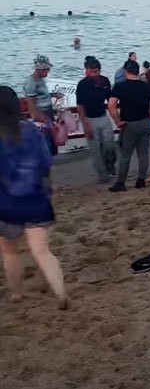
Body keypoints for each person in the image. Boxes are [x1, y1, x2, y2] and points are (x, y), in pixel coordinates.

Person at [0, 86, 68, 309]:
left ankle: (17, 294)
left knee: (9, 252)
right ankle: (61, 293)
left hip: (6, 202)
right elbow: (45, 163)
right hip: (36, 198)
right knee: (42, 252)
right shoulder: (31, 130)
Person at [107, 60, 150, 192]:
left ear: (125, 71)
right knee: (143, 153)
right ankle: (141, 180)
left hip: (129, 123)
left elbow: (111, 105)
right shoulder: (146, 86)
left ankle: (121, 182)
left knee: (126, 154)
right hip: (145, 122)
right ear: (137, 71)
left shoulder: (120, 87)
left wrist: (117, 121)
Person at [76, 56, 116, 183]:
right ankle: (103, 175)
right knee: (96, 149)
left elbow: (111, 99)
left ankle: (110, 166)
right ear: (86, 71)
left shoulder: (105, 81)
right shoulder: (82, 85)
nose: (93, 74)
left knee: (110, 144)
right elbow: (80, 106)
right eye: (90, 71)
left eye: (95, 71)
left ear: (99, 70)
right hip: (89, 118)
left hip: (103, 116)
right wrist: (85, 124)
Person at [23, 55, 59, 155]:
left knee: (53, 143)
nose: (48, 72)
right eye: (46, 69)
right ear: (39, 69)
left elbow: (41, 95)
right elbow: (31, 104)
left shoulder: (41, 80)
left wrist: (53, 95)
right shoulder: (31, 83)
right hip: (41, 115)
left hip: (48, 112)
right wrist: (41, 119)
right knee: (46, 143)